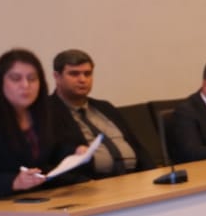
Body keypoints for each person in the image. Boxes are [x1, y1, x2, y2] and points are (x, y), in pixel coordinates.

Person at [0, 49, 91, 206]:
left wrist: (75, 151)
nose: (25, 85)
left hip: (26, 201)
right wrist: (13, 181)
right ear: (0, 82)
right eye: (16, 79)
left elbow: (51, 150)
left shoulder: (42, 112)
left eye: (32, 79)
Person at [52, 48, 146, 177]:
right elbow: (55, 157)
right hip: (91, 182)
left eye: (87, 74)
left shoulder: (105, 107)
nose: (82, 79)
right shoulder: (47, 113)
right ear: (57, 77)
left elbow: (138, 147)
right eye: (74, 74)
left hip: (134, 176)